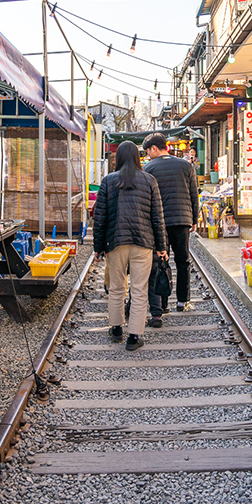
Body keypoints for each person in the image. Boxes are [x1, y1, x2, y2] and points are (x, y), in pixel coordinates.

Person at [92, 140, 168, 350]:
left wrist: (98, 247)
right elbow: (157, 217)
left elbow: (100, 217)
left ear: (119, 159)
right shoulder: (149, 180)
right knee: (139, 288)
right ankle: (134, 337)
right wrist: (161, 246)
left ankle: (116, 329)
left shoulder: (108, 181)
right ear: (136, 157)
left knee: (116, 287)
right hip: (143, 243)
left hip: (115, 242)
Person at [143, 132, 201, 322]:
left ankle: (163, 303)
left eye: (147, 151)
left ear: (154, 148)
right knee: (183, 261)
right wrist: (194, 218)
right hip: (182, 220)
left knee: (161, 261)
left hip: (159, 222)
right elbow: (194, 193)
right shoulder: (186, 165)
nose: (147, 155)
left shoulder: (149, 168)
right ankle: (183, 301)